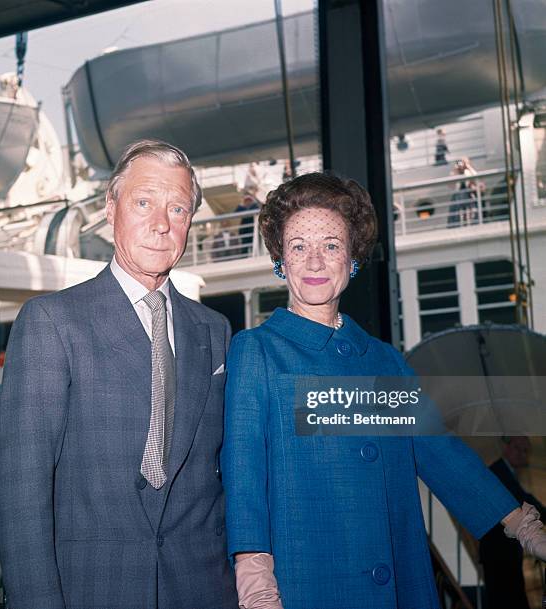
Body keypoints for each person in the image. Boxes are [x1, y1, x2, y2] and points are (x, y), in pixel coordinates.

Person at [221, 172, 546, 609]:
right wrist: (253, 572)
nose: (315, 262)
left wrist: (521, 523)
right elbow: (244, 471)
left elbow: (439, 452)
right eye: (299, 246)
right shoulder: (257, 351)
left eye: (331, 246)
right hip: (305, 586)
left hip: (400, 584)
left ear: (352, 258)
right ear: (281, 260)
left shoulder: (383, 360)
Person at [0, 140, 238, 609]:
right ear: (111, 210)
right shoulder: (51, 323)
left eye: (178, 208)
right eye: (144, 202)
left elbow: (223, 475)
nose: (161, 224)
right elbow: (21, 493)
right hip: (92, 590)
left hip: (202, 590)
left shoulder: (215, 330)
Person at [480, 436, 546, 609]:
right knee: (507, 598)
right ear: (506, 447)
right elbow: (522, 499)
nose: (522, 454)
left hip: (504, 550)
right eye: (518, 448)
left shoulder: (507, 472)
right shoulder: (498, 471)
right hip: (498, 551)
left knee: (509, 596)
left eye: (525, 451)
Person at [447, 157, 483, 227]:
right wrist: (455, 170)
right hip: (458, 198)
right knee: (457, 215)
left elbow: (477, 180)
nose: (461, 165)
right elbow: (450, 185)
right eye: (459, 163)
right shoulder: (455, 173)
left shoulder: (469, 172)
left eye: (463, 162)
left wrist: (468, 167)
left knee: (471, 215)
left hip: (469, 197)